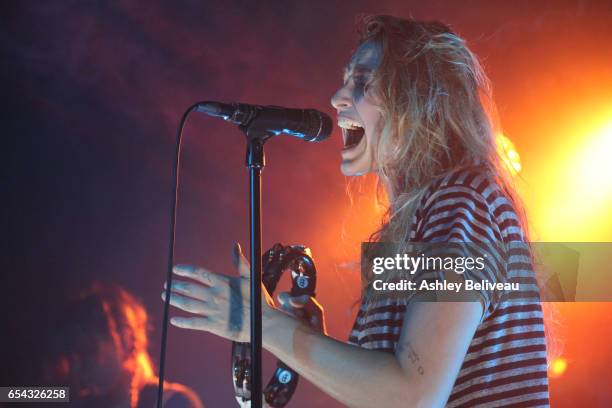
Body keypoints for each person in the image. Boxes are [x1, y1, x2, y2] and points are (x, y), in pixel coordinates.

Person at [163, 15, 549, 407]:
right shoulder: (426, 215)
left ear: (417, 99)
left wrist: (262, 324)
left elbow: (412, 398)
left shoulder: (460, 200)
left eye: (363, 82)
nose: (337, 97)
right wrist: (310, 341)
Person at [45, 283, 204, 408]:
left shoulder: (176, 403)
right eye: (72, 357)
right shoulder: (86, 402)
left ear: (126, 340)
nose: (76, 367)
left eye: (87, 351)